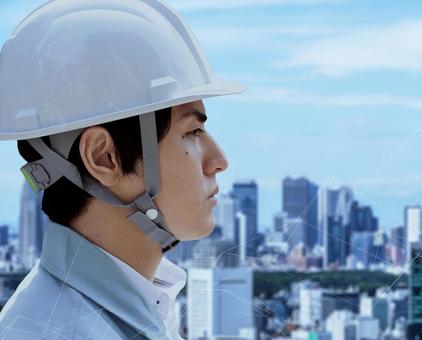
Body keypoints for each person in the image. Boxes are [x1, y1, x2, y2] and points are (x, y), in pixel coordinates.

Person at [0, 0, 244, 339]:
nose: (219, 159)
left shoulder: (130, 309)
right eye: (191, 132)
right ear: (104, 158)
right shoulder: (62, 331)